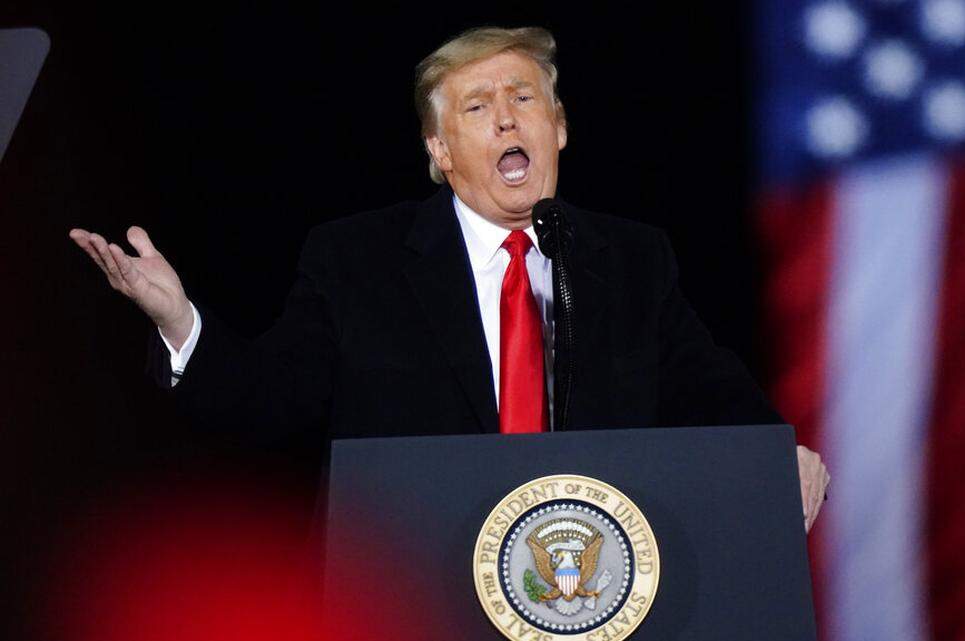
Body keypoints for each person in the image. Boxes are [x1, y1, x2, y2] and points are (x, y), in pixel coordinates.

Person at [68, 26, 830, 531]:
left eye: (524, 98)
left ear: (558, 126)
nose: (507, 119)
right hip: (419, 599)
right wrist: (180, 321)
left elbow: (713, 391)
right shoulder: (356, 262)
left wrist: (776, 454)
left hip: (596, 593)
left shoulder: (629, 261)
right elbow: (268, 399)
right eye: (477, 105)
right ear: (439, 150)